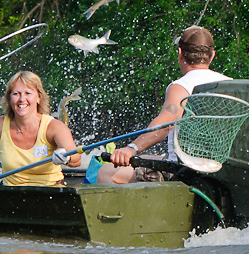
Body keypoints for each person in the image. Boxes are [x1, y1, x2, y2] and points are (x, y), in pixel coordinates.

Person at [98, 26, 231, 184]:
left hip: (183, 175)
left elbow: (166, 124)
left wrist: (131, 148)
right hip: (223, 174)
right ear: (212, 56)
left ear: (180, 54)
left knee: (107, 172)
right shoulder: (232, 85)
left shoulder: (181, 87)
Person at [0, 71, 81, 186]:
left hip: (50, 193)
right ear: (9, 98)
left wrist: (66, 158)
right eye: (16, 94)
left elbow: (77, 159)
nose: (22, 99)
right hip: (11, 195)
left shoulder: (54, 127)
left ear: (39, 97)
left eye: (28, 93)